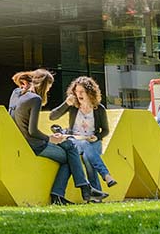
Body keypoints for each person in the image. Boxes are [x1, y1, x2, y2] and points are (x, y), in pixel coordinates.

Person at [11, 69, 96, 205]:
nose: (48, 92)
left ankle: (81, 189)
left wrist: (53, 137)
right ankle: (74, 191)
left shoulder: (16, 94)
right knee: (70, 155)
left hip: (23, 141)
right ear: (44, 85)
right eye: (48, 88)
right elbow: (32, 131)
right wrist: (50, 138)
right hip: (35, 145)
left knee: (69, 145)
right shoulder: (35, 99)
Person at [49, 76, 116, 194]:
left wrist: (98, 137)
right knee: (84, 145)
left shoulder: (99, 109)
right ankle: (106, 175)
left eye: (81, 91)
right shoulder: (73, 107)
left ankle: (96, 195)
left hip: (93, 142)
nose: (78, 94)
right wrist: (66, 104)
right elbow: (52, 117)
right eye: (76, 91)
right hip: (75, 140)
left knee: (87, 159)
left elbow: (105, 130)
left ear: (89, 93)